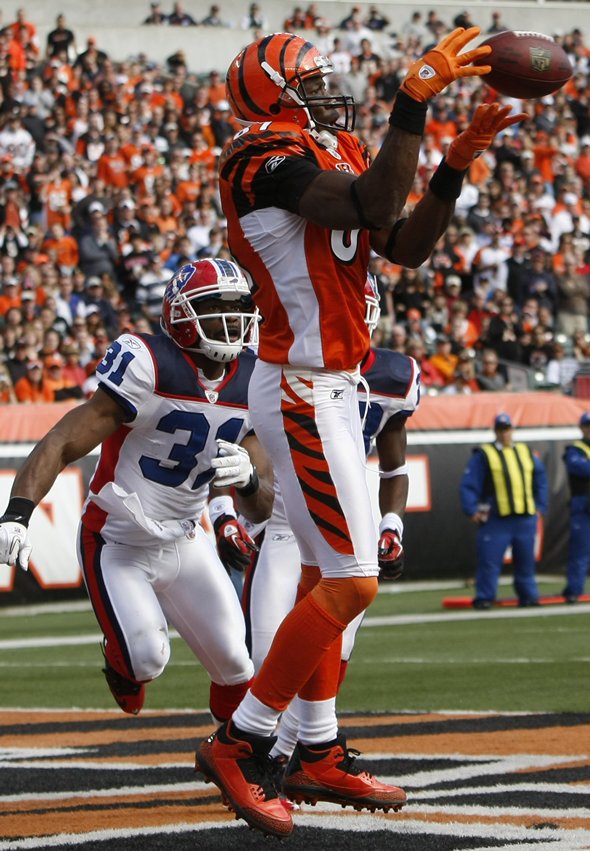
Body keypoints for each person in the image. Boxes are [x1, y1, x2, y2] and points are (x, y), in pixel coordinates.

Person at [196, 27, 523, 838]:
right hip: (301, 386)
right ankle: (242, 743)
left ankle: (317, 747)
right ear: (272, 93)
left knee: (321, 575)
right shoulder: (255, 158)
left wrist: (452, 165)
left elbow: (403, 243)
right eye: (310, 78)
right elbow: (375, 203)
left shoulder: (327, 141)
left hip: (337, 385)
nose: (329, 88)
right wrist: (413, 101)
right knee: (353, 579)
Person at [0, 258, 271, 725]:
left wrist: (247, 478)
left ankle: (236, 757)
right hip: (118, 539)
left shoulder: (256, 378)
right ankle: (119, 656)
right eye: (217, 309)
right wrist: (18, 512)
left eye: (238, 308)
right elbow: (63, 440)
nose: (233, 322)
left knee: (236, 664)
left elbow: (261, 503)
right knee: (147, 659)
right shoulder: (149, 363)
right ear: (182, 317)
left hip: (186, 537)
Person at [241, 290, 420, 780]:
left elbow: (394, 465)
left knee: (333, 647)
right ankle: (254, 744)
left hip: (349, 521)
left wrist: (392, 523)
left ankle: (294, 754)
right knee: (268, 653)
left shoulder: (391, 376)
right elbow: (238, 447)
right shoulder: (275, 364)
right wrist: (227, 509)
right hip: (282, 524)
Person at [460, 413, 548, 610]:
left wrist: (540, 506)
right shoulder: (485, 454)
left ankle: (529, 596)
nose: (504, 433)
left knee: (526, 561)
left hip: (524, 517)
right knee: (489, 561)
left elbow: (540, 479)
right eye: (501, 429)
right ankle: (485, 597)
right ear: (496, 431)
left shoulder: (525, 451)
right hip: (496, 519)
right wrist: (471, 509)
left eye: (507, 429)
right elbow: (469, 483)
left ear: (512, 430)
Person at [562, 412, 590, 603]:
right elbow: (580, 468)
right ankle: (574, 590)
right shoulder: (575, 449)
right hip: (584, 505)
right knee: (580, 551)